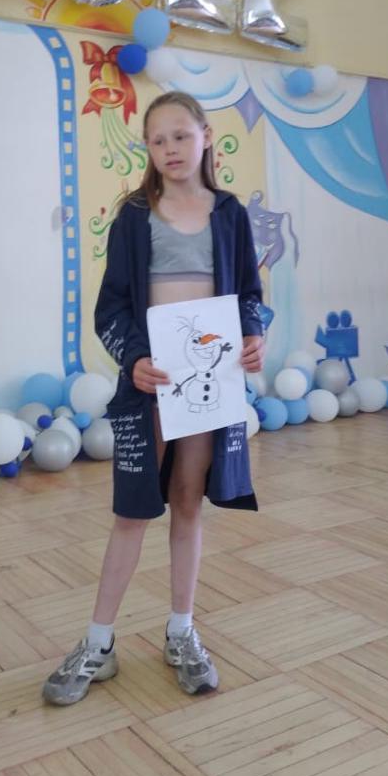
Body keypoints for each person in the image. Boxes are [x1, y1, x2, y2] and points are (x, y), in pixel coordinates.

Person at [42, 91, 265, 706]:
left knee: (188, 503)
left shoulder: (229, 214)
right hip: (151, 387)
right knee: (133, 511)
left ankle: (181, 631)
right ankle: (98, 642)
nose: (170, 148)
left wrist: (254, 335)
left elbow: (249, 294)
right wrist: (135, 359)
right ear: (147, 148)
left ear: (205, 137)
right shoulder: (134, 216)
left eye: (180, 136)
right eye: (158, 139)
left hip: (208, 387)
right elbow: (110, 307)